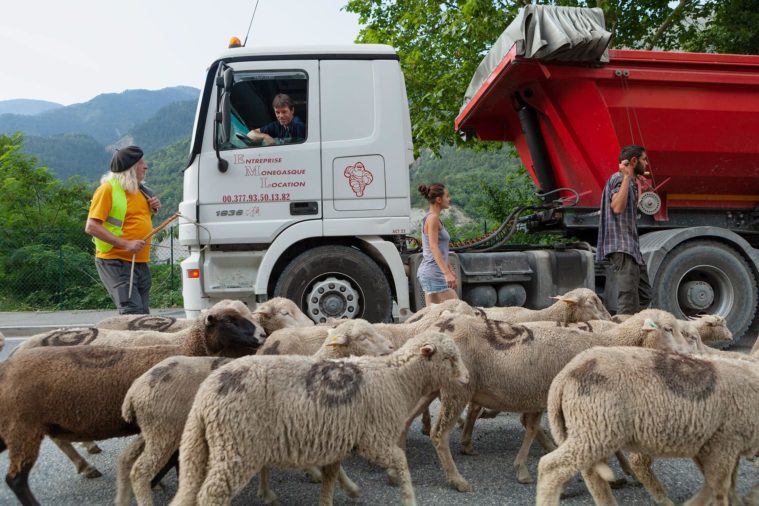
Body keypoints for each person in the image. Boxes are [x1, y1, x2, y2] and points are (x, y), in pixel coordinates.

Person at [85, 146, 161, 314]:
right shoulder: (107, 190)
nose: (146, 166)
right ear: (130, 168)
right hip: (115, 260)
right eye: (141, 163)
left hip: (139, 261)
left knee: (142, 313)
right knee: (132, 311)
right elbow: (91, 226)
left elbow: (134, 221)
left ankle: (140, 341)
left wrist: (153, 210)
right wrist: (125, 244)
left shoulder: (142, 191)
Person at [596, 144, 652, 315]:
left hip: (631, 247)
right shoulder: (620, 179)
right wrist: (628, 177)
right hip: (622, 246)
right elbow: (617, 207)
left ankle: (633, 327)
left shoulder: (631, 181)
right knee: (627, 298)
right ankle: (623, 335)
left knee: (645, 294)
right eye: (644, 160)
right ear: (634, 161)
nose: (646, 164)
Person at [416, 183, 458, 305]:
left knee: (434, 317)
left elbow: (441, 248)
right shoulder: (432, 218)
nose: (449, 199)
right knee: (457, 310)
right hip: (433, 273)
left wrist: (449, 269)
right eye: (447, 196)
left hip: (431, 273)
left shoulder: (432, 218)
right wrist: (446, 273)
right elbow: (433, 247)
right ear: (439, 200)